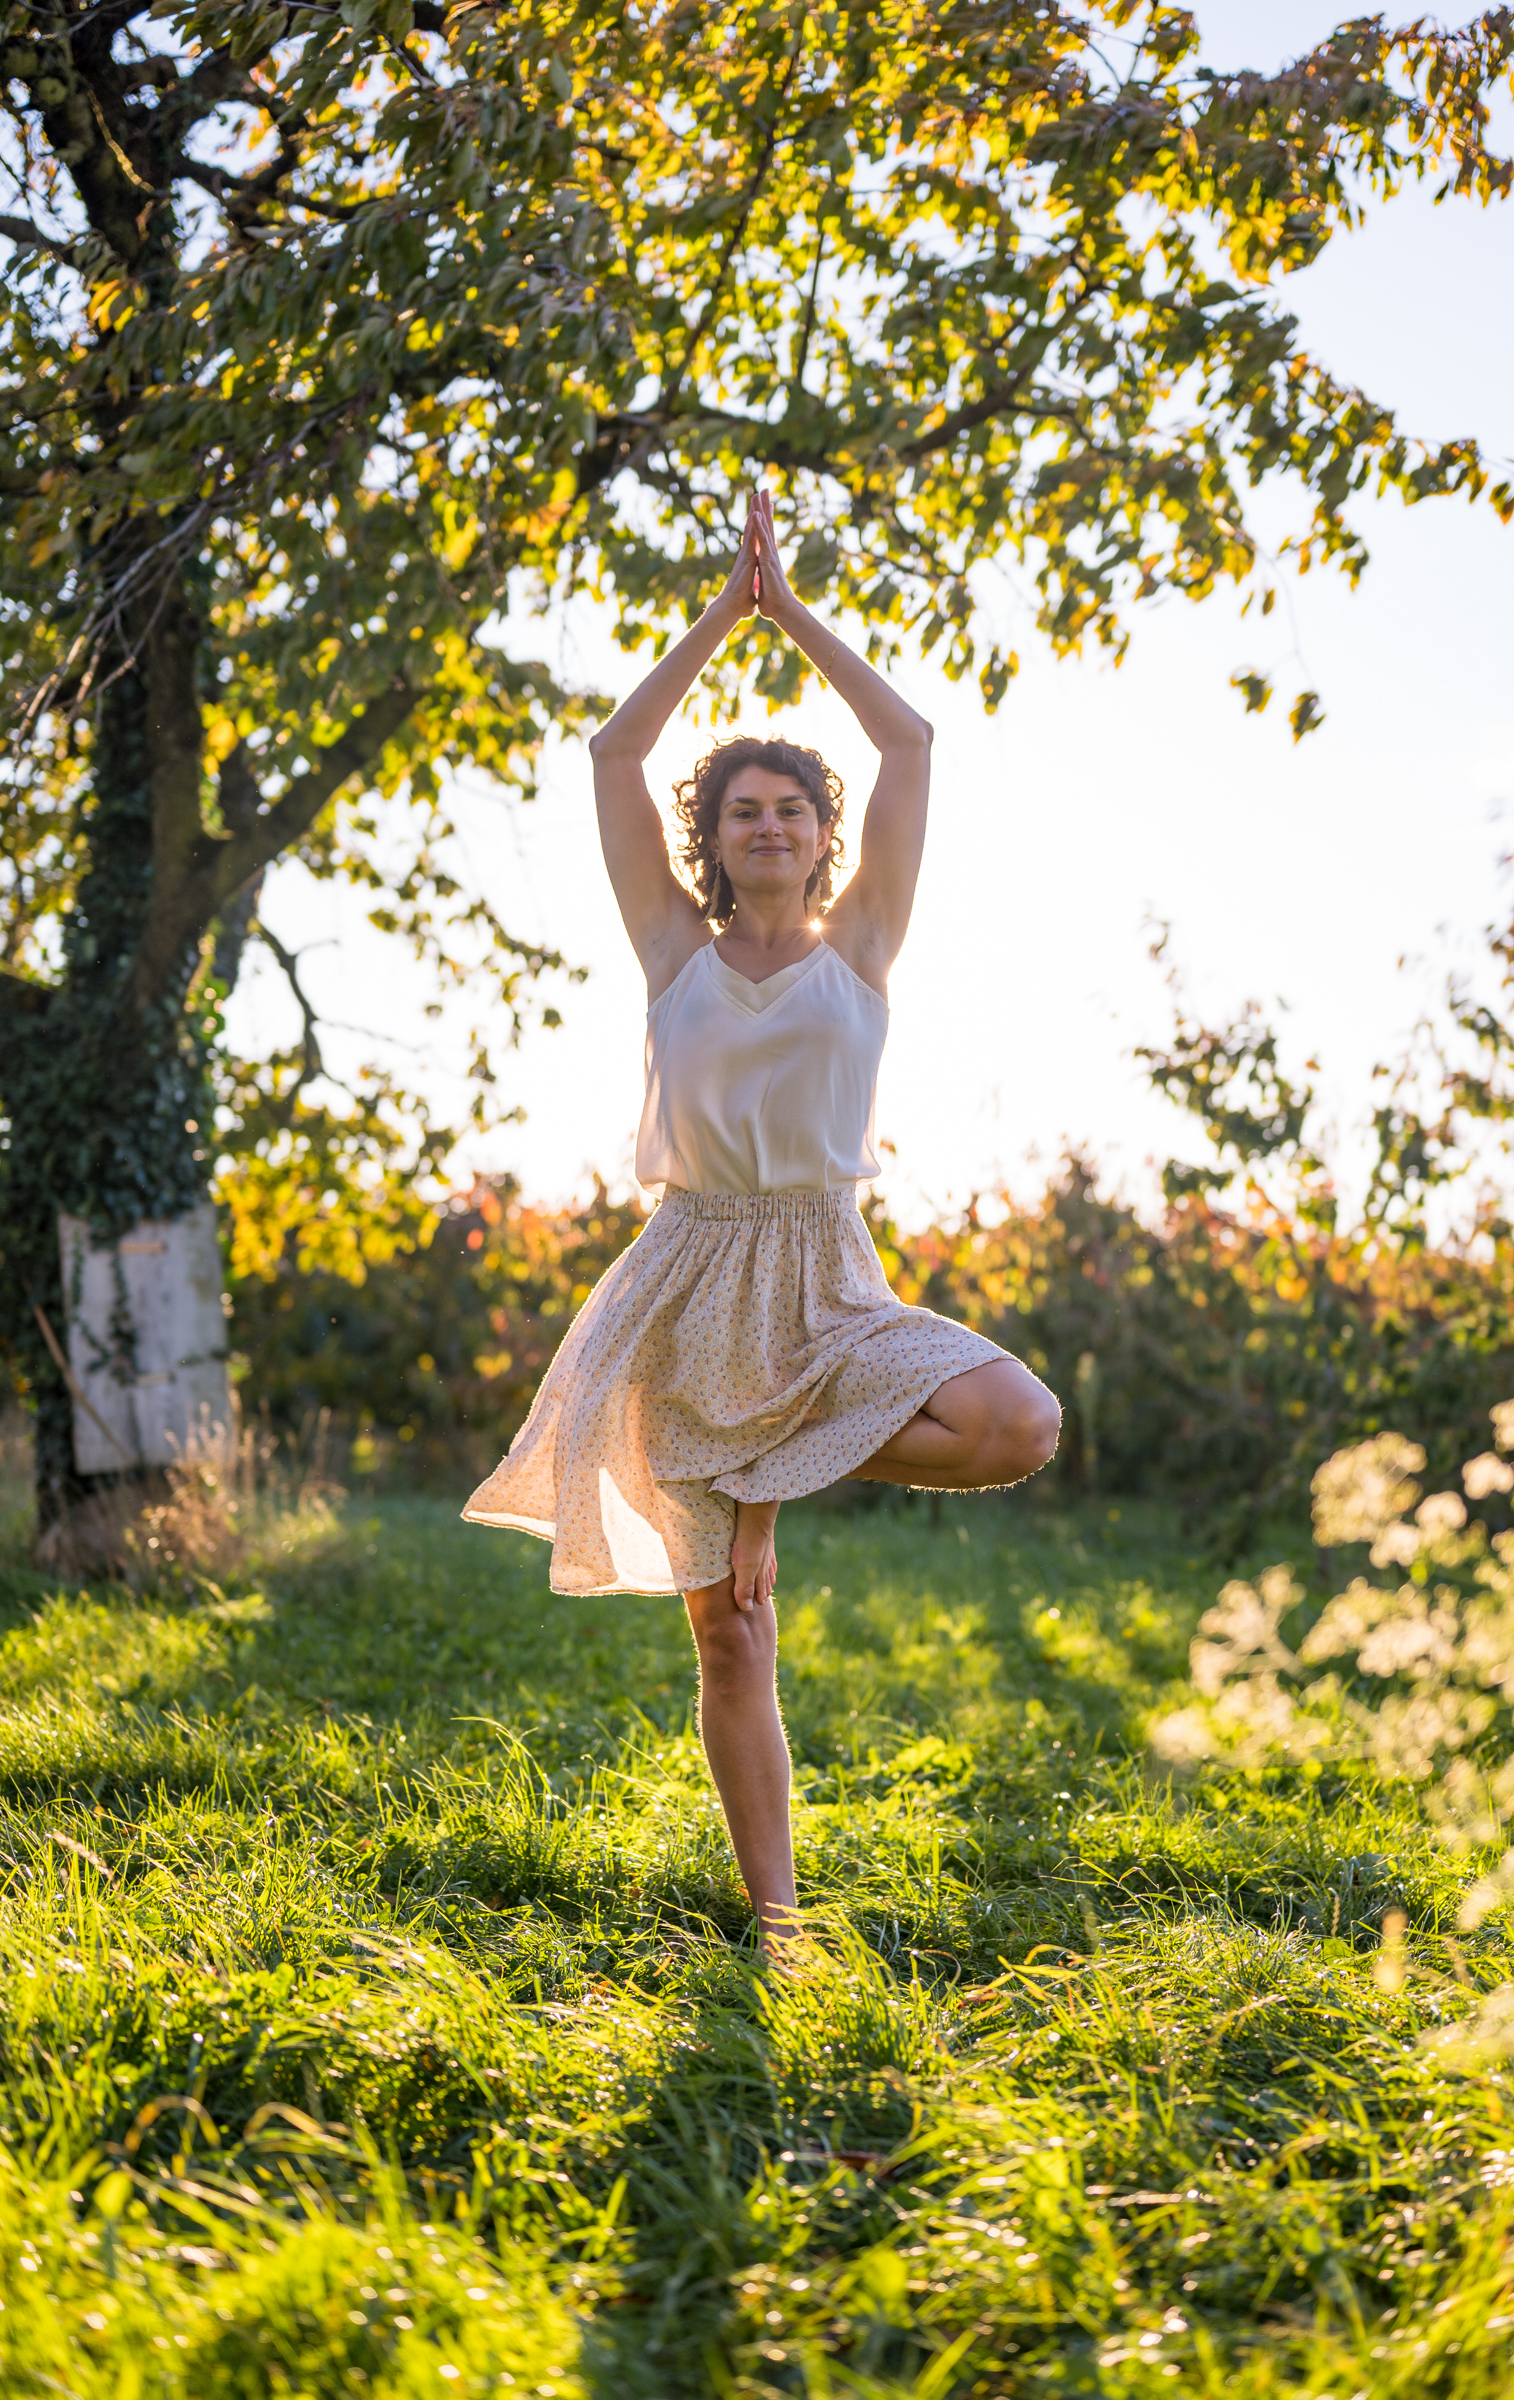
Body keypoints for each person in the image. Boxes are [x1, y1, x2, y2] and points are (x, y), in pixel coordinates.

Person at [464, 491, 1061, 1948]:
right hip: (684, 1278)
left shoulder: (861, 945)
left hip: (825, 1268)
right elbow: (614, 753)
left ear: (821, 835)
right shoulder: (671, 948)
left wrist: (788, 612)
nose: (773, 822)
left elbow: (908, 743)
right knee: (732, 1626)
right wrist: (712, 623)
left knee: (1015, 1425)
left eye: (793, 806)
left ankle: (782, 1461)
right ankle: (779, 1920)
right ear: (714, 844)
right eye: (745, 810)